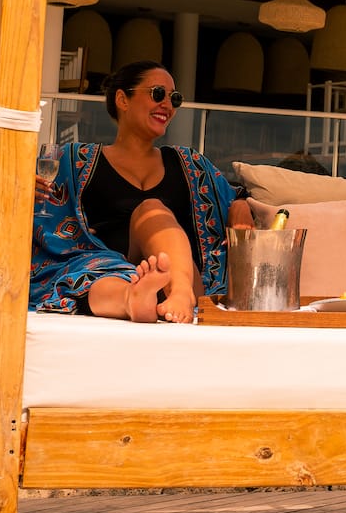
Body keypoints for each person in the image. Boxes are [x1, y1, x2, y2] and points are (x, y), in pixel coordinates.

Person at [30, 61, 249, 321]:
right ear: (123, 99)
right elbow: (38, 212)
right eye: (158, 94)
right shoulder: (73, 159)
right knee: (96, 279)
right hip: (105, 274)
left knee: (151, 208)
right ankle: (132, 299)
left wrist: (240, 210)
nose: (167, 105)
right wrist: (22, 190)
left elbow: (236, 196)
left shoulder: (189, 163)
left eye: (174, 98)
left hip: (181, 279)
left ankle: (179, 293)